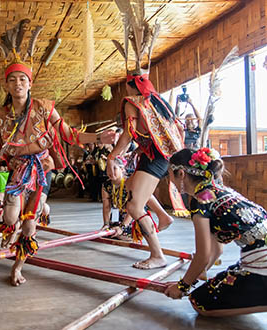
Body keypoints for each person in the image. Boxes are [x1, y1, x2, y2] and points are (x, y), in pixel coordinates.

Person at [0, 19, 115, 286]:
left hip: (40, 172)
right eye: (12, 80)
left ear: (30, 83)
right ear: (7, 85)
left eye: (23, 79)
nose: (18, 83)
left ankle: (17, 266)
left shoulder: (44, 107)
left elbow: (69, 134)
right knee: (10, 219)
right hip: (16, 174)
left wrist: (99, 137)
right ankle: (31, 217)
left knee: (28, 226)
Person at [108, 4, 184, 269]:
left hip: (155, 160)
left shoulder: (133, 101)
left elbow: (128, 136)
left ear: (129, 84)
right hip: (161, 157)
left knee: (133, 206)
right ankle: (163, 218)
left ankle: (157, 255)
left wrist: (113, 157)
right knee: (131, 188)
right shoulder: (157, 100)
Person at [165, 148, 267, 317]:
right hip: (259, 257)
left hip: (262, 264)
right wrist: (196, 276)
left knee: (200, 302)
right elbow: (217, 249)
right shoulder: (218, 190)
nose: (171, 180)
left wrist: (182, 286)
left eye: (170, 174)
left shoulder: (200, 201)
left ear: (181, 174)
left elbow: (203, 255)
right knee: (216, 284)